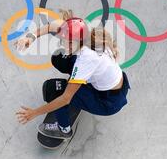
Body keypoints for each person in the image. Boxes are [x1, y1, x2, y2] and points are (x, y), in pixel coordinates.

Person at [14, 10, 131, 139]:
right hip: (110, 84)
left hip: (107, 101)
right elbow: (52, 26)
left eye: (69, 43)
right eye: (64, 40)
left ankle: (64, 130)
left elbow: (65, 98)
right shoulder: (85, 34)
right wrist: (30, 37)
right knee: (59, 57)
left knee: (54, 90)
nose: (64, 44)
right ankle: (80, 88)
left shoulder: (86, 59)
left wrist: (34, 113)